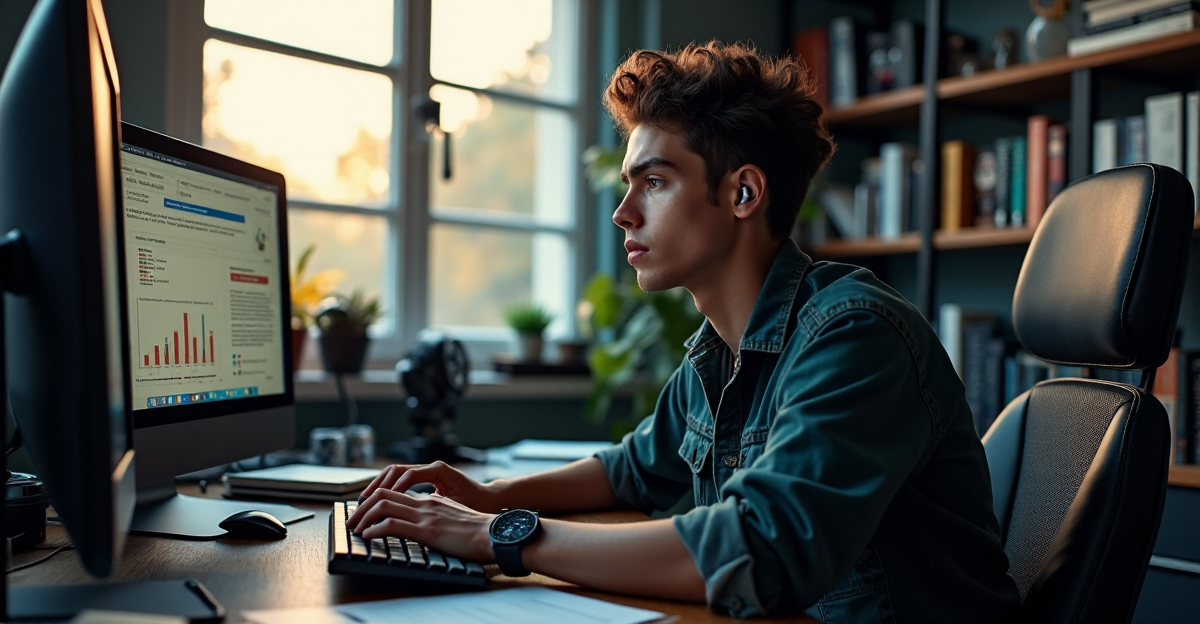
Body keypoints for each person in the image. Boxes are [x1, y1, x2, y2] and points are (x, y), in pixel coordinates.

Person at [347, 41, 1020, 621]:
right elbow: (632, 469)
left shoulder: (854, 337)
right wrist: (488, 496)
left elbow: (759, 550)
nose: (622, 214)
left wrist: (500, 535)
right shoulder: (719, 352)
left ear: (742, 194)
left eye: (655, 182)